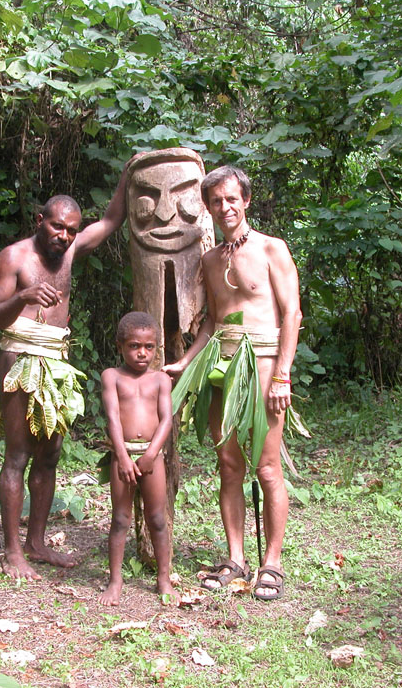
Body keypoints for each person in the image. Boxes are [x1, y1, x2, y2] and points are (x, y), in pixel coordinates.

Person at [0, 164, 131, 580]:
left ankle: (37, 542)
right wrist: (24, 296)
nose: (63, 236)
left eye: (70, 229)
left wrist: (128, 173)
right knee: (18, 456)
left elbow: (112, 220)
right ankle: (13, 551)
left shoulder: (69, 251)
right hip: (19, 357)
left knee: (49, 456)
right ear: (39, 220)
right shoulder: (12, 258)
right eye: (56, 227)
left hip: (57, 362)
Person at [163, 165, 302, 601]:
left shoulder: (271, 249)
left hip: (262, 364)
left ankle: (272, 564)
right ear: (208, 209)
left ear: (245, 200)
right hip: (222, 365)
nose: (225, 207)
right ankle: (236, 558)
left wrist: (282, 373)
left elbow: (292, 314)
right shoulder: (210, 260)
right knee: (228, 465)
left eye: (231, 199)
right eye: (216, 201)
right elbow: (211, 324)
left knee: (266, 466)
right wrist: (185, 362)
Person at [98, 312, 176, 605]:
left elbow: (167, 419)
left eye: (149, 346)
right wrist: (121, 455)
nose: (142, 353)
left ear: (157, 347)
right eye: (134, 346)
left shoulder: (161, 380)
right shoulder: (112, 377)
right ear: (120, 346)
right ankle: (115, 580)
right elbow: (113, 418)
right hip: (123, 456)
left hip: (152, 458)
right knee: (119, 519)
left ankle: (163, 578)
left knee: (157, 519)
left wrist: (152, 453)